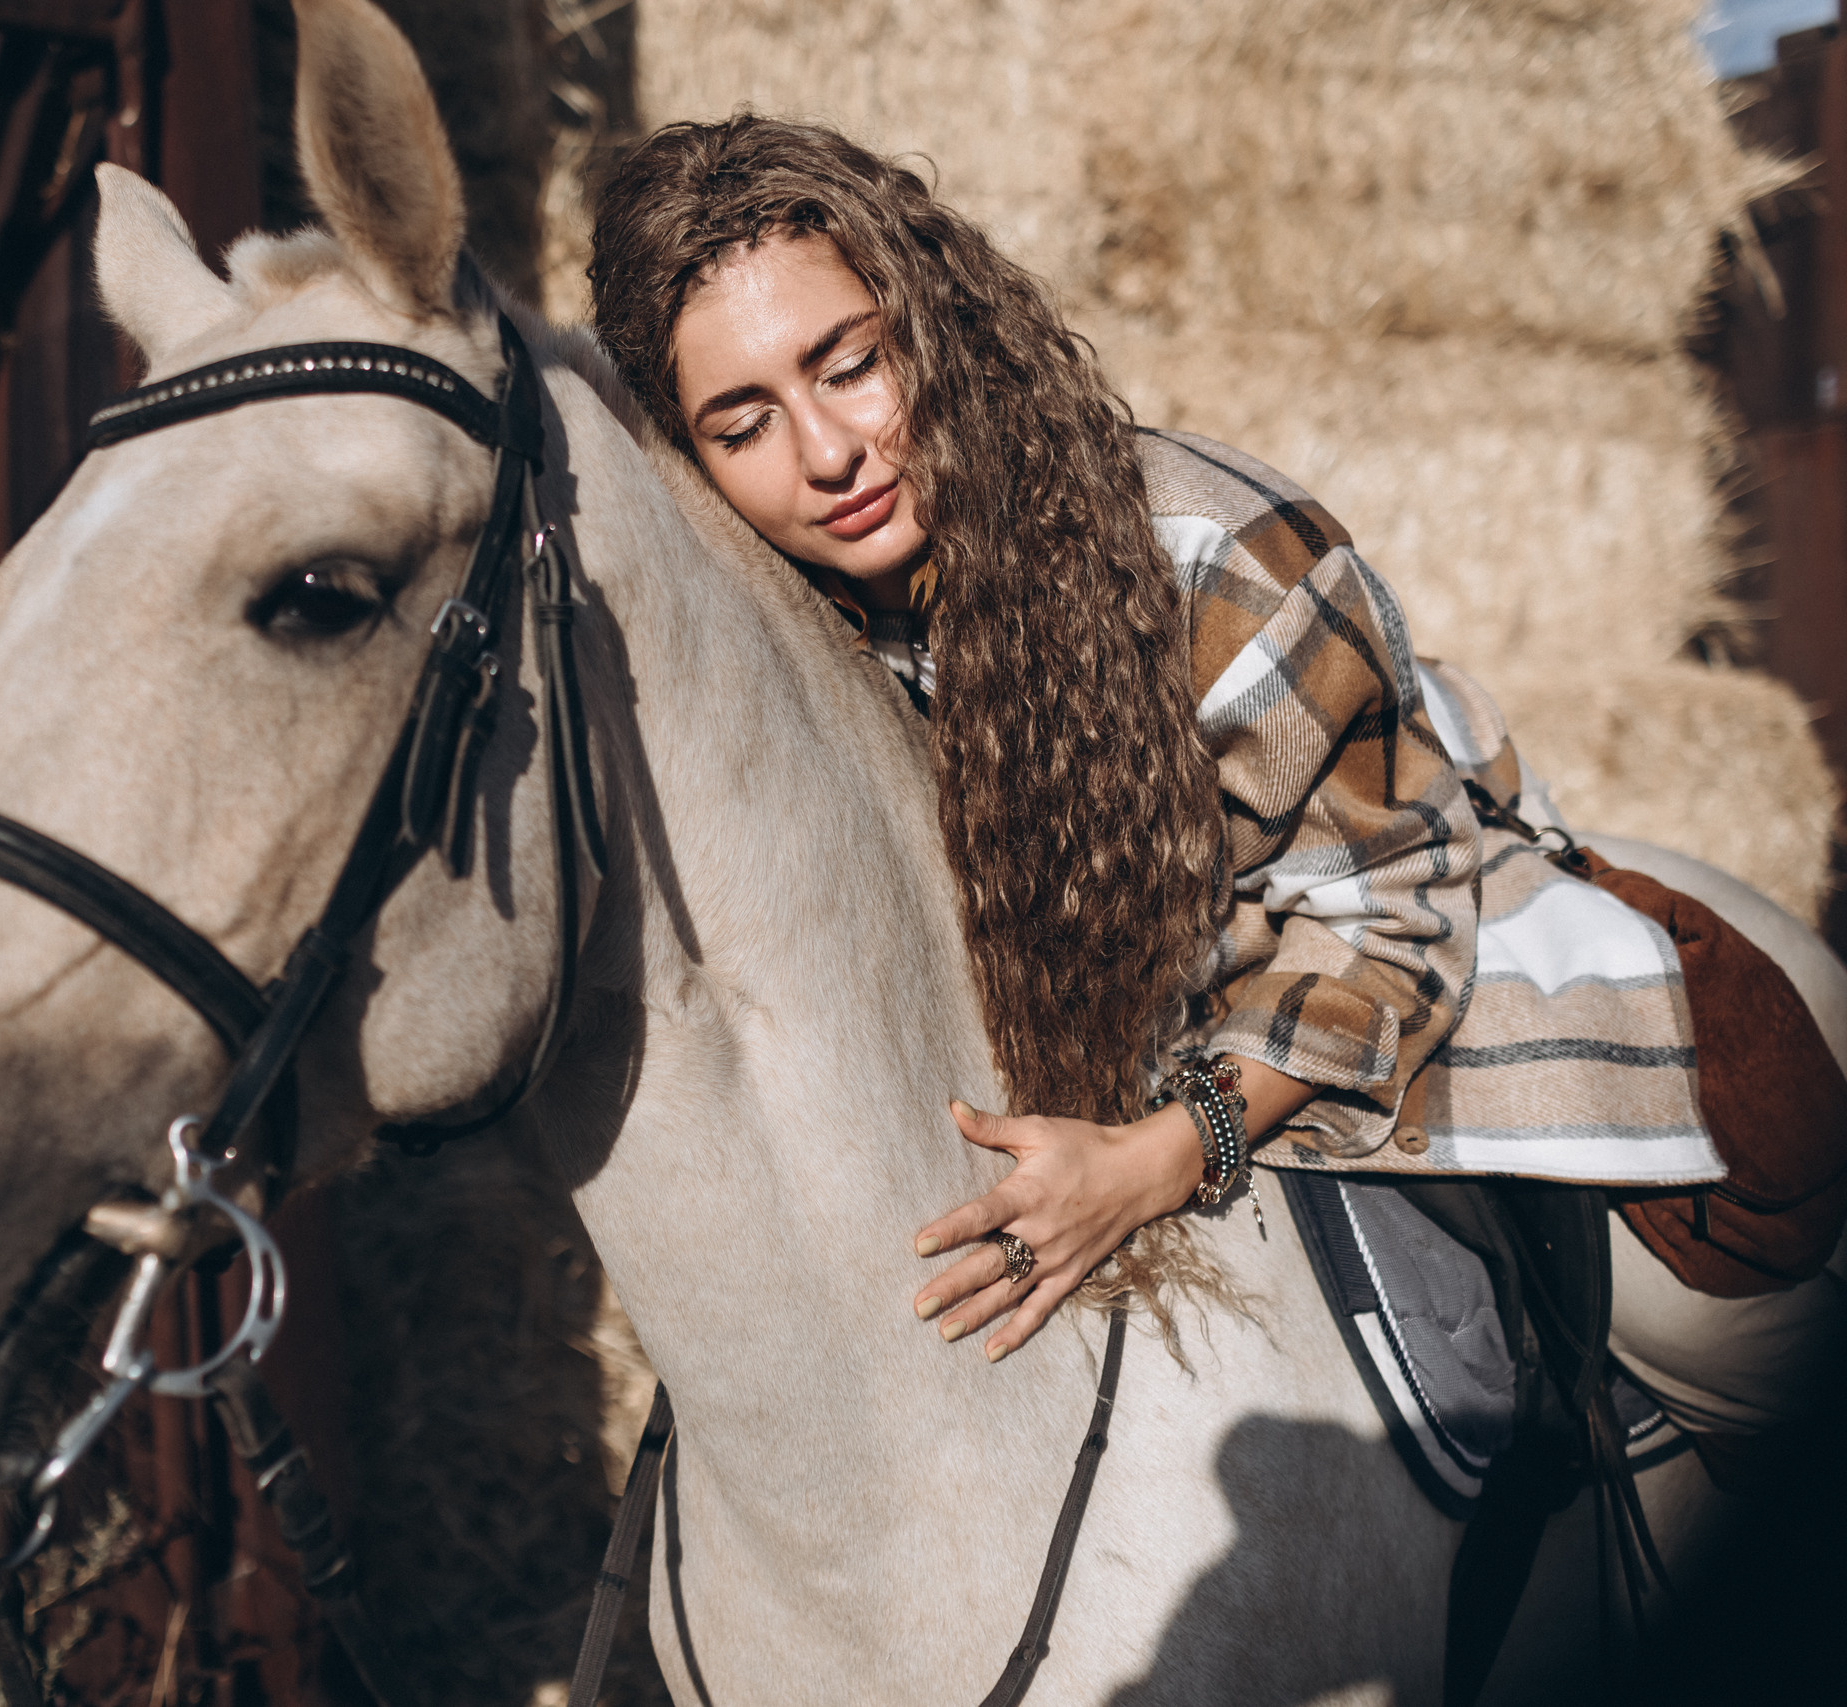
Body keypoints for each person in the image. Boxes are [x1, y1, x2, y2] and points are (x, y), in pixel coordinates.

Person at [582, 115, 1842, 1445]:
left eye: (851, 367)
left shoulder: (1211, 549)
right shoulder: (774, 630)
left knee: (1717, 1344)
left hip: (1371, 959)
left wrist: (1162, 1159)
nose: (827, 452)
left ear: (932, 325)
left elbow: (1397, 916)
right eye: (744, 425)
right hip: (1101, 1048)